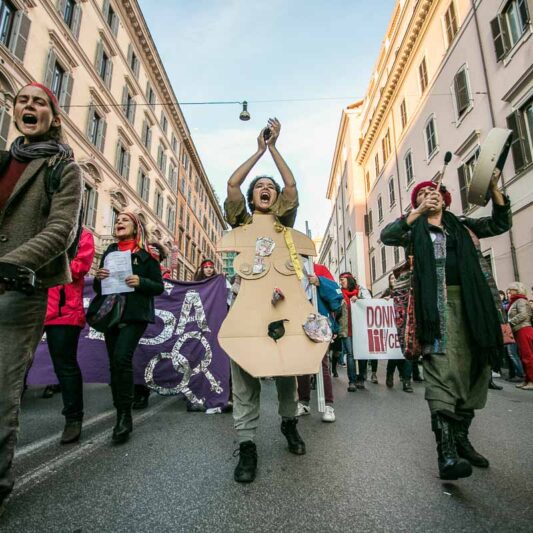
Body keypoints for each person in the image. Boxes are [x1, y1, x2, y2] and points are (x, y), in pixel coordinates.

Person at [381, 175, 511, 480]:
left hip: (475, 308)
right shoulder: (413, 231)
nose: (431, 195)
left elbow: (500, 225)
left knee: (477, 371)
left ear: (445, 198)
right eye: (423, 194)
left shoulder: (462, 225)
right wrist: (415, 214)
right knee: (441, 373)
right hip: (435, 312)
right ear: (417, 203)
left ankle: (462, 439)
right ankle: (447, 453)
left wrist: (494, 191)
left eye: (435, 192)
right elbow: (387, 235)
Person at [0, 83, 82, 512]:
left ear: (53, 115)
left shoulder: (63, 167)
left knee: (1, 392)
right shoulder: (2, 160)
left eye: (39, 102)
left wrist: (10, 265)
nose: (28, 106)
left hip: (18, 289)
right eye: (21, 101)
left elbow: (61, 230)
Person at [225, 118, 304, 483]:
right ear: (254, 196)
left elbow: (290, 184)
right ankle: (247, 445)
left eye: (270, 187)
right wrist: (258, 150)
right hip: (245, 303)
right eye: (261, 186)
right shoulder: (239, 221)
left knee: (288, 366)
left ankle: (289, 423)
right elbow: (232, 184)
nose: (267, 188)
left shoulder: (284, 223)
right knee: (243, 374)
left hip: (281, 303)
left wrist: (274, 148)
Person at [92, 212, 164, 444]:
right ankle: (120, 409)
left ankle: (125, 417)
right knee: (114, 362)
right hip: (111, 313)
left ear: (136, 228)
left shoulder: (147, 256)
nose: (119, 222)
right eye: (118, 220)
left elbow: (159, 287)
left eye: (125, 220)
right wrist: (99, 277)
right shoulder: (110, 252)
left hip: (134, 314)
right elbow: (98, 287)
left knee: (122, 358)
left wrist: (140, 281)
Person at [44, 228, 95, 443]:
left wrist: (44, 263)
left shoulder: (83, 234)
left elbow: (78, 268)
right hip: (30, 305)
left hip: (63, 311)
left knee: (64, 366)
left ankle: (73, 418)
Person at [297, 263, 343, 423]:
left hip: (320, 320)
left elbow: (336, 294)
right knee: (302, 364)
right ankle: (303, 402)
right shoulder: (289, 269)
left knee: (322, 362)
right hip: (299, 320)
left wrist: (320, 282)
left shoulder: (319, 268)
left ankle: (328, 405)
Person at [131, 241, 169, 410]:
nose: (152, 253)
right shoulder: (137, 268)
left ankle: (143, 391)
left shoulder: (166, 274)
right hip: (141, 315)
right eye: (150, 250)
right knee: (135, 356)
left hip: (159, 323)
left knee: (146, 356)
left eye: (156, 251)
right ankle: (135, 390)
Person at [338, 272, 369, 391]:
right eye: (340, 280)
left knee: (361, 353)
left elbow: (369, 303)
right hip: (346, 328)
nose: (340, 282)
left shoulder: (360, 291)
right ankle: (352, 381)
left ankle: (361, 378)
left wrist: (359, 299)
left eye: (342, 280)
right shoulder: (339, 294)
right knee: (350, 355)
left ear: (349, 280)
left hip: (360, 328)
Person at [383, 273, 414, 393]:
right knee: (394, 354)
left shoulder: (407, 291)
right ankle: (389, 374)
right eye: (391, 278)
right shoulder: (387, 292)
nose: (394, 280)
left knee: (408, 353)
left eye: (396, 278)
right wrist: (385, 300)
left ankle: (407, 380)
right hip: (392, 328)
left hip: (406, 326)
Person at [507, 282, 533, 390]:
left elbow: (524, 314)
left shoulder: (521, 301)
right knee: (523, 356)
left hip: (524, 330)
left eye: (511, 290)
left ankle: (532, 380)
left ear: (517, 290)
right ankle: (527, 379)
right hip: (519, 330)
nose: (509, 292)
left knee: (528, 356)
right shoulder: (516, 301)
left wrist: (510, 323)